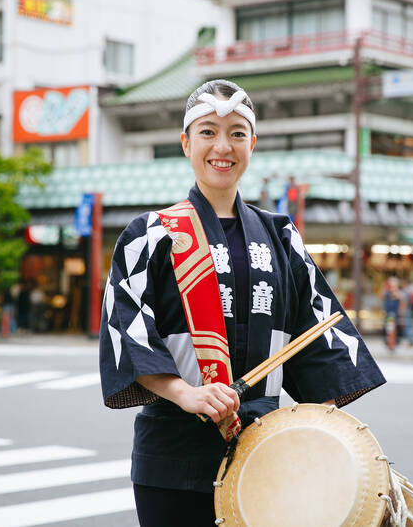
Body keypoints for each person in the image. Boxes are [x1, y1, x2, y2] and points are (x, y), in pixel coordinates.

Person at [99, 79, 386, 527]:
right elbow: (128, 331)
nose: (223, 146)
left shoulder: (281, 237)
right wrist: (187, 393)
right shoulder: (150, 235)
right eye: (208, 131)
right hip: (172, 456)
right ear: (185, 143)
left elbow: (319, 338)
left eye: (236, 133)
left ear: (252, 144)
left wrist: (321, 441)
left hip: (262, 453)